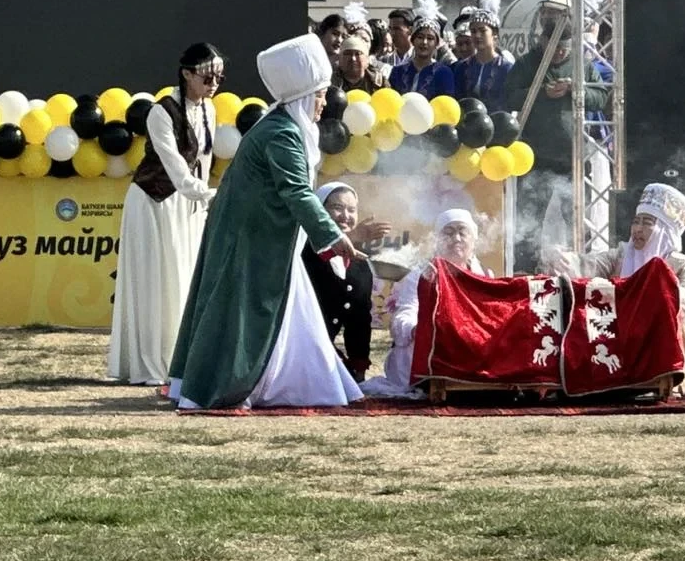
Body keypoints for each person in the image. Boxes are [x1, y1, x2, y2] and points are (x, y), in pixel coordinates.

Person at [168, 34, 364, 409]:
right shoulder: (283, 133)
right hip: (251, 238)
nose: (324, 103)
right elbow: (296, 192)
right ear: (306, 95)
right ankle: (235, 384)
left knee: (285, 305)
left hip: (262, 234)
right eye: (321, 95)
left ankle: (300, 380)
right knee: (243, 310)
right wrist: (333, 235)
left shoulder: (280, 127)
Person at [107, 43, 220, 386]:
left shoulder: (209, 110)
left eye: (219, 76)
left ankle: (180, 356)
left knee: (183, 278)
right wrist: (210, 194)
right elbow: (175, 168)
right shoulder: (162, 111)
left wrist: (200, 201)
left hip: (186, 205)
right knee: (158, 280)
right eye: (207, 75)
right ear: (187, 74)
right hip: (153, 202)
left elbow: (202, 163)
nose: (214, 82)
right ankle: (150, 362)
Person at [550, 183, 685, 394]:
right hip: (625, 339)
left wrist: (658, 294)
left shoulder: (682, 264)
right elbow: (588, 264)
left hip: (664, 342)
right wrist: (565, 260)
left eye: (647, 223)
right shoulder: (621, 256)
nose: (637, 229)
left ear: (665, 231)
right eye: (636, 222)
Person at [504, 2, 607, 273]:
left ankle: (579, 267)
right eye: (555, 47)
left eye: (565, 48)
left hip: (572, 154)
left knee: (576, 216)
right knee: (530, 216)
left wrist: (575, 89)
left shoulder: (582, 65)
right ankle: (524, 268)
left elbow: (602, 97)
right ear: (543, 41)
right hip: (534, 153)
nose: (560, 53)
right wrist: (540, 93)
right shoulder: (528, 63)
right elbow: (508, 95)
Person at [361, 209, 491, 397]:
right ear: (437, 240)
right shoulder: (423, 275)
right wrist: (417, 329)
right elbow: (405, 314)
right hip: (432, 346)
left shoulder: (484, 276)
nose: (456, 238)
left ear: (473, 239)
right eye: (449, 232)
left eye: (463, 232)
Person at [301, 181, 392, 382]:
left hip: (321, 348)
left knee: (343, 380)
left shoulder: (359, 262)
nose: (346, 216)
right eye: (337, 208)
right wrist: (349, 236)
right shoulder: (302, 245)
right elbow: (315, 254)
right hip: (293, 345)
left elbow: (359, 319)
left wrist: (359, 365)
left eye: (351, 210)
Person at [453, 0, 513, 112]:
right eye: (473, 31)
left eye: (482, 31)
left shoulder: (506, 68)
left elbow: (508, 104)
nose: (477, 35)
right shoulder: (462, 68)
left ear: (495, 34)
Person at [388, 0, 456, 99]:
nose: (424, 42)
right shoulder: (398, 72)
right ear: (413, 40)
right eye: (420, 37)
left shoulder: (444, 73)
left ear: (437, 44)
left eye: (430, 38)